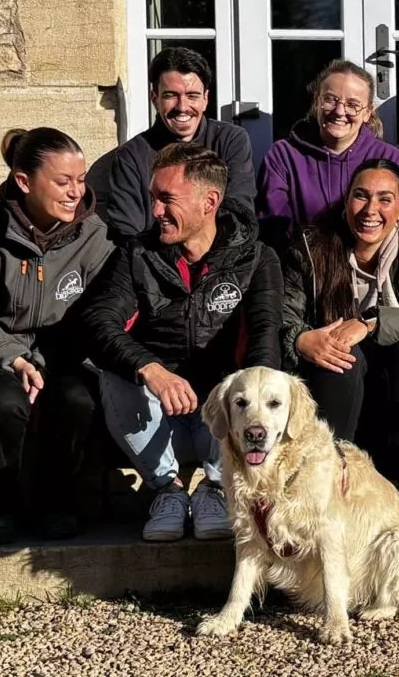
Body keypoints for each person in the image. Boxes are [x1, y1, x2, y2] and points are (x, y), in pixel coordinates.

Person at [82, 143, 282, 542]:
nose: (155, 211)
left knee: (257, 380)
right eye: (153, 198)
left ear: (210, 201)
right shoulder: (136, 254)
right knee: (115, 370)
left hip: (221, 427)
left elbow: (265, 338)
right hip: (155, 420)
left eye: (166, 199)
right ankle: (168, 491)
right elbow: (98, 322)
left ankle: (213, 488)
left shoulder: (257, 258)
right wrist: (152, 371)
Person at [0, 128, 114, 544]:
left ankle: (58, 505)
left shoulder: (96, 236)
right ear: (24, 182)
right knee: (4, 400)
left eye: (81, 179)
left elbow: (102, 311)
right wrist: (15, 358)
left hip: (62, 358)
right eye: (63, 181)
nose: (76, 191)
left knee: (78, 398)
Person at [280, 158, 399, 514]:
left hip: (397, 388)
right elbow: (282, 315)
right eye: (361, 197)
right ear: (347, 201)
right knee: (343, 358)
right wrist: (301, 339)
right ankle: (327, 486)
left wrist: (372, 322)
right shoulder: (312, 247)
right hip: (338, 387)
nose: (371, 210)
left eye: (385, 199)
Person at [257, 60, 399, 251]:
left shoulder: (389, 158)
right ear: (317, 102)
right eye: (331, 100)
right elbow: (273, 230)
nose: (340, 111)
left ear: (368, 112)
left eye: (353, 104)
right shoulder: (283, 156)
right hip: (302, 269)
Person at [106, 47, 256, 240]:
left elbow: (239, 215)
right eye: (171, 95)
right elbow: (127, 234)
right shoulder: (131, 157)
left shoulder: (230, 140)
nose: (182, 107)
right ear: (155, 99)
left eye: (192, 95)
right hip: (152, 264)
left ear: (205, 99)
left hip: (221, 259)